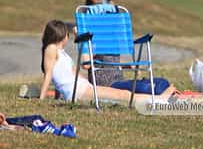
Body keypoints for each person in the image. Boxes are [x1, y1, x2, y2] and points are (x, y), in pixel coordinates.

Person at [39, 20, 175, 102]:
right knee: (123, 95)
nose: (68, 38)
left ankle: (158, 99)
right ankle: (160, 100)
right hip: (79, 91)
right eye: (67, 34)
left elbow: (63, 77)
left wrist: (58, 95)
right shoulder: (51, 48)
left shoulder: (60, 53)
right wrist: (41, 99)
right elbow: (49, 74)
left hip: (84, 87)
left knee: (123, 95)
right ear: (61, 35)